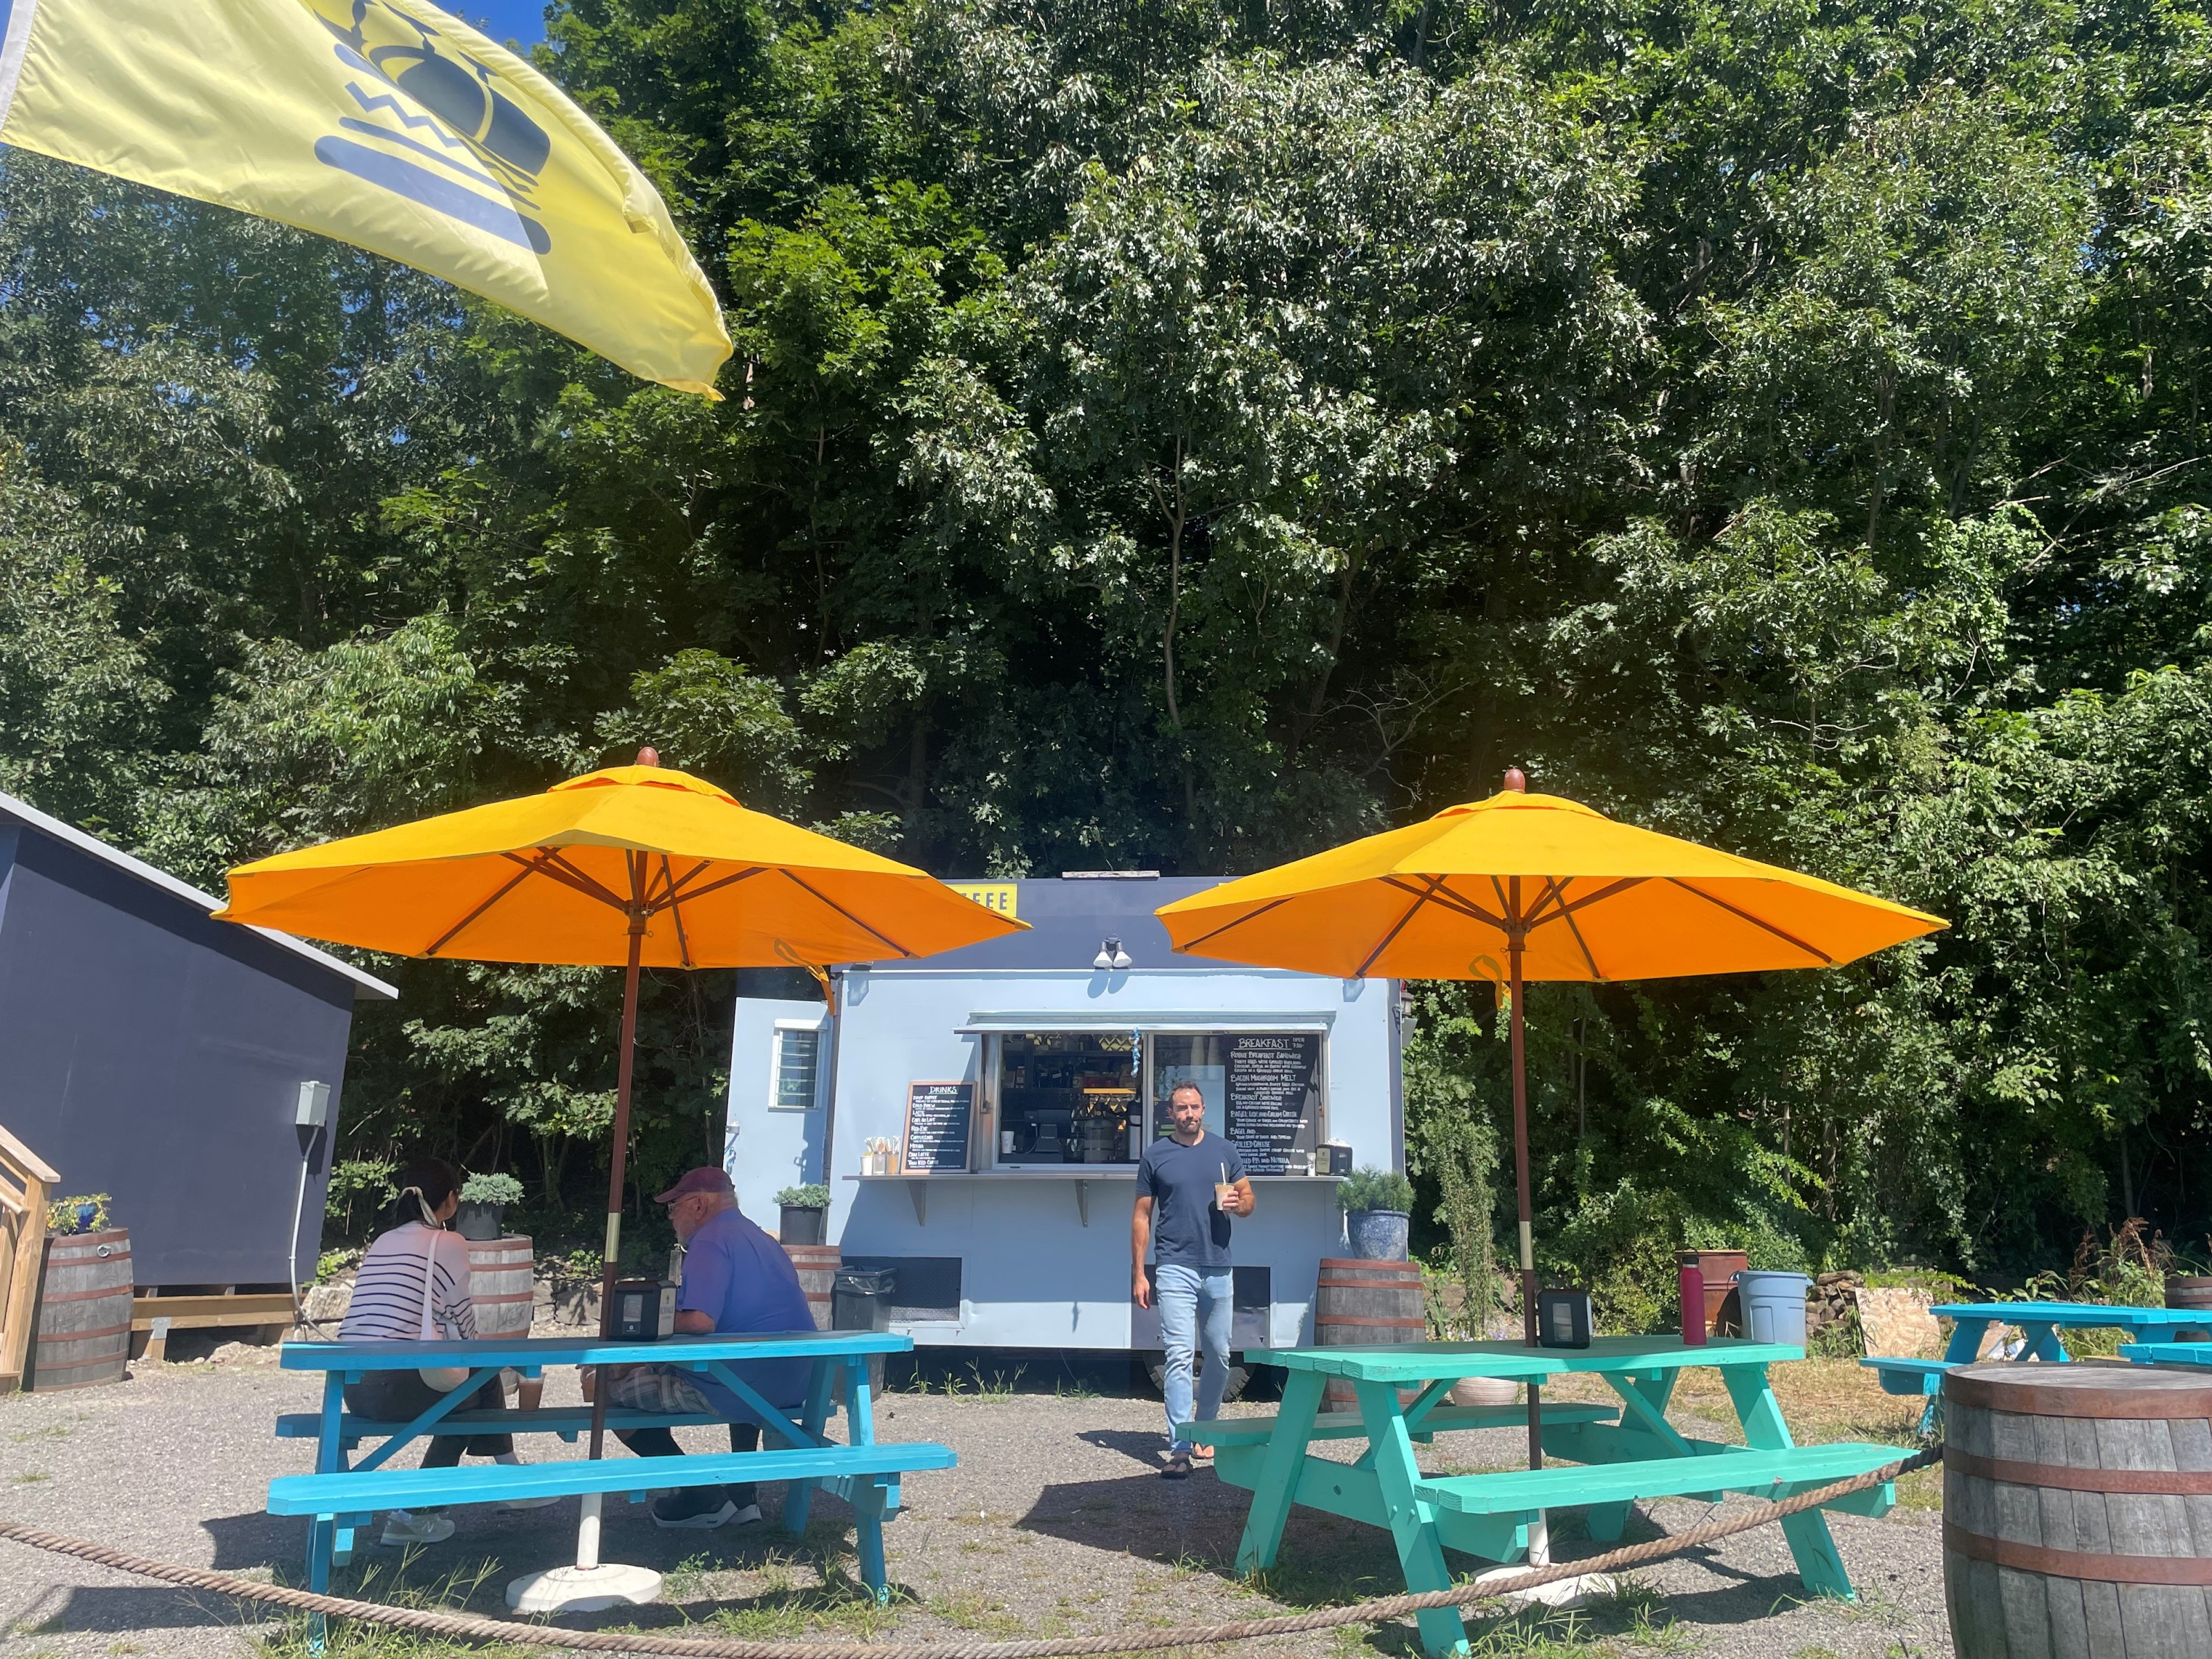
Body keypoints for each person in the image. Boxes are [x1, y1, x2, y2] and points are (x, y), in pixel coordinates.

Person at [339, 1158, 544, 1545]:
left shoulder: (383, 1241)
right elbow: (465, 1326)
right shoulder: (448, 1242)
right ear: (451, 1201)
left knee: (475, 1387)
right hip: (395, 1388)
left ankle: (510, 1480)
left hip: (355, 1389)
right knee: (477, 1386)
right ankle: (421, 1513)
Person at [604, 1167, 816, 1529]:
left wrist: (644, 1321)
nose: (671, 1218)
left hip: (738, 1386)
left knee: (601, 1389)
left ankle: (700, 1493)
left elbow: (701, 1322)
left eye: (674, 1208)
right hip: (796, 1380)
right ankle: (743, 1497)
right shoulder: (764, 1239)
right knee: (731, 1367)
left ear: (699, 1205)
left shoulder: (709, 1240)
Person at [1132, 1082, 1255, 1479]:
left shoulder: (1224, 1151)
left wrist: (1240, 1205)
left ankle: (1206, 1428)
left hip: (1218, 1266)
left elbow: (1249, 1199)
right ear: (1170, 1114)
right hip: (1174, 1267)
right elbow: (1141, 1217)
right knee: (1179, 1356)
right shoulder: (1156, 1156)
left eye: (1195, 1107)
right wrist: (1139, 1272)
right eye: (1182, 1108)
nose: (1189, 1114)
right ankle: (1180, 1447)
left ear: (1204, 1109)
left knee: (1219, 1355)